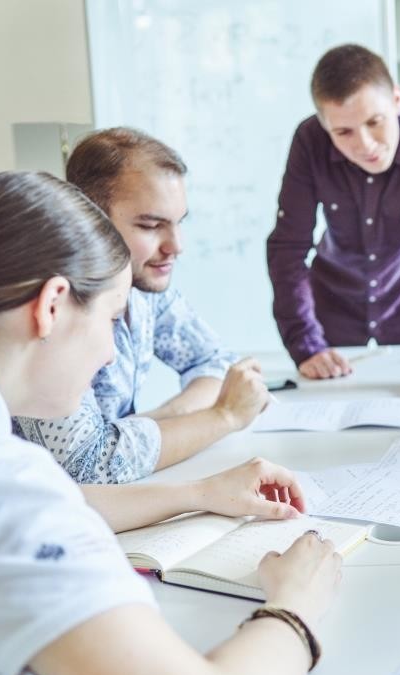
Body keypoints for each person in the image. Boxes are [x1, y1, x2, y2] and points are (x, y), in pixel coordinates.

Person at [0, 171, 341, 675]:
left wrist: (196, 492)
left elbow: (49, 500)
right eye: (111, 319)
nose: (110, 352)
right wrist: (296, 604)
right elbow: (11, 505)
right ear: (52, 306)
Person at [14, 128, 268, 484]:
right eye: (151, 225)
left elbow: (217, 365)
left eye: (179, 223)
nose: (176, 246)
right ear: (90, 222)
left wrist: (162, 418)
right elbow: (93, 465)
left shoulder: (147, 290)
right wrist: (223, 416)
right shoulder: (58, 310)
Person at [267, 44, 400, 396]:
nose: (365, 144)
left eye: (374, 122)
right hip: (332, 309)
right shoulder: (308, 141)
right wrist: (305, 342)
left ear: (396, 100)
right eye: (344, 132)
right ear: (325, 126)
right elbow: (287, 248)